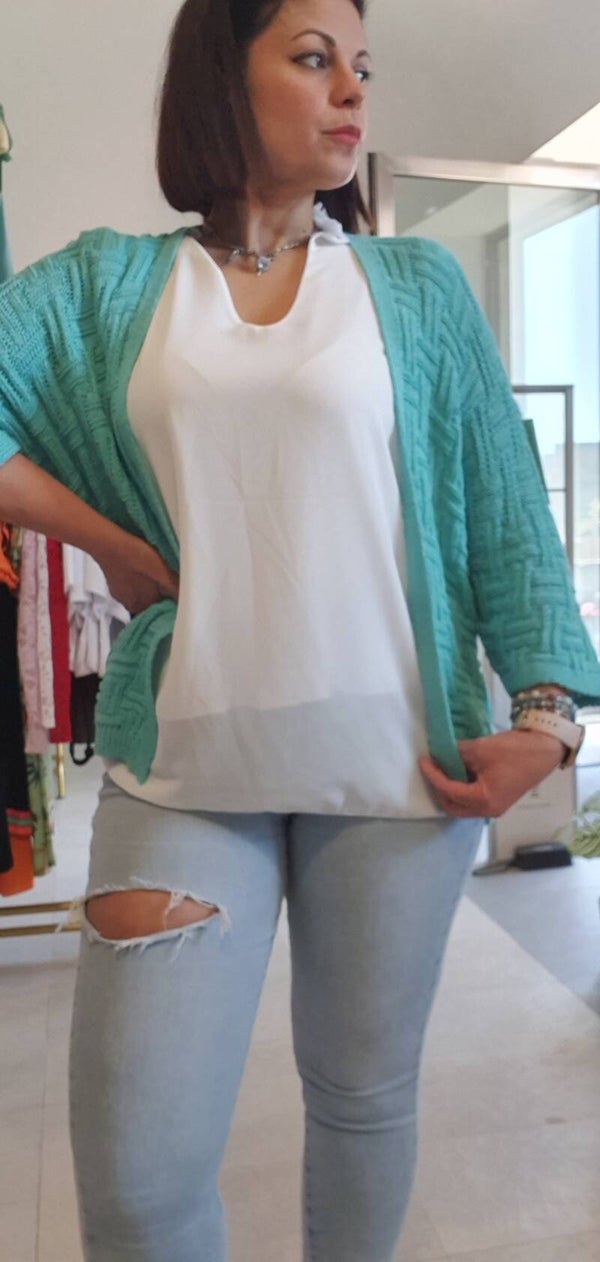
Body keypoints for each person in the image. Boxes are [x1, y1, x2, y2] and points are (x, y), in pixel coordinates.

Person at [1, 1, 599, 1258]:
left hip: (399, 772)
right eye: (314, 58)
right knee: (139, 1180)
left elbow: (503, 503)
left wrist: (550, 716)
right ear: (224, 77)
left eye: (360, 66)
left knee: (362, 1103)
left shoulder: (414, 287)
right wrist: (107, 542)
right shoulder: (110, 285)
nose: (352, 91)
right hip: (182, 770)